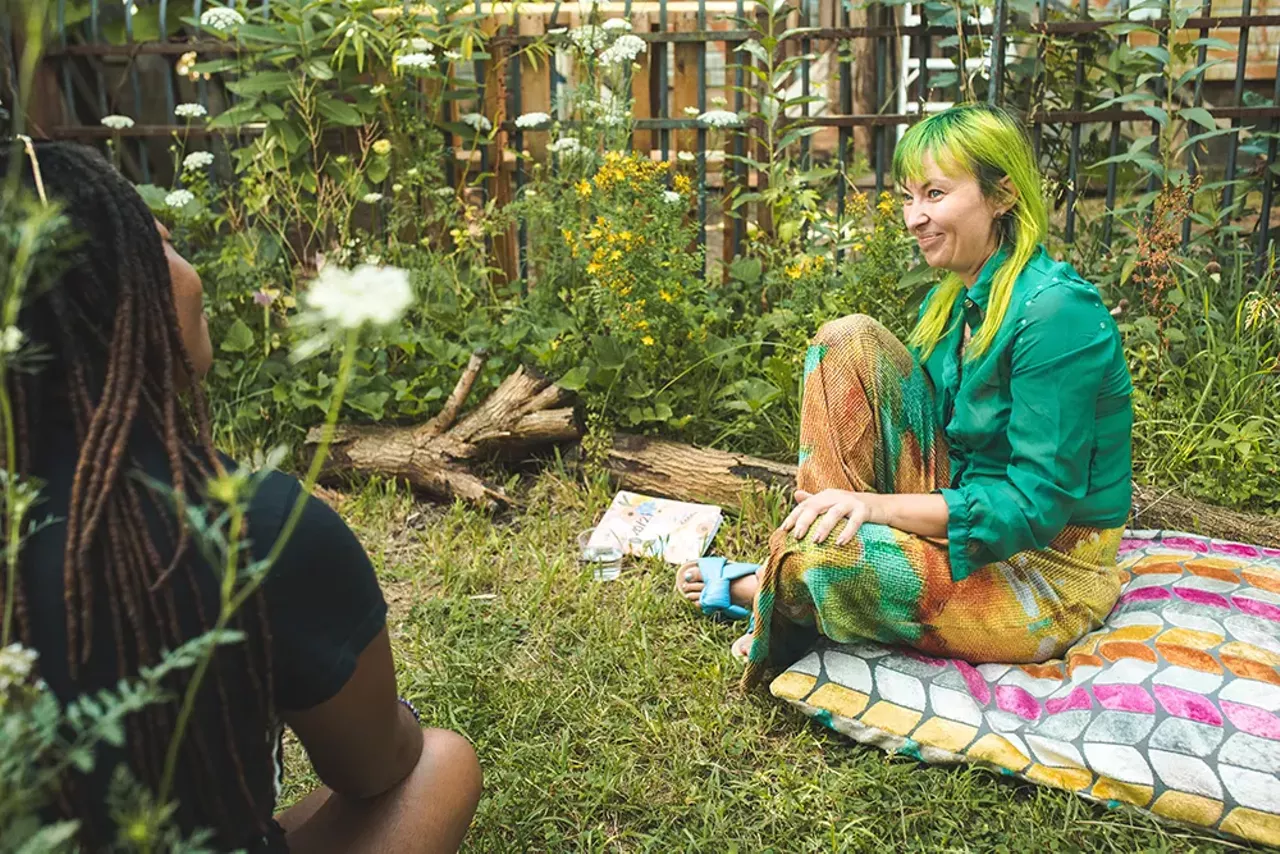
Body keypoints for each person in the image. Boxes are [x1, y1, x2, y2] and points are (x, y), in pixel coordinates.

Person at [3, 140, 481, 851]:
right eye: (160, 246)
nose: (187, 270)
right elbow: (375, 767)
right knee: (441, 764)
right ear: (111, 300)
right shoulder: (255, 525)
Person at [674, 104, 1133, 687]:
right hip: (966, 515)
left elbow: (1034, 507)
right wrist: (857, 503)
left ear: (1003, 195)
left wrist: (876, 508)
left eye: (936, 194)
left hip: (1043, 571)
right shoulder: (952, 303)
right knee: (848, 340)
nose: (915, 217)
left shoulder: (1056, 312)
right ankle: (801, 572)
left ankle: (778, 585)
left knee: (824, 559)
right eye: (909, 197)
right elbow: (927, 439)